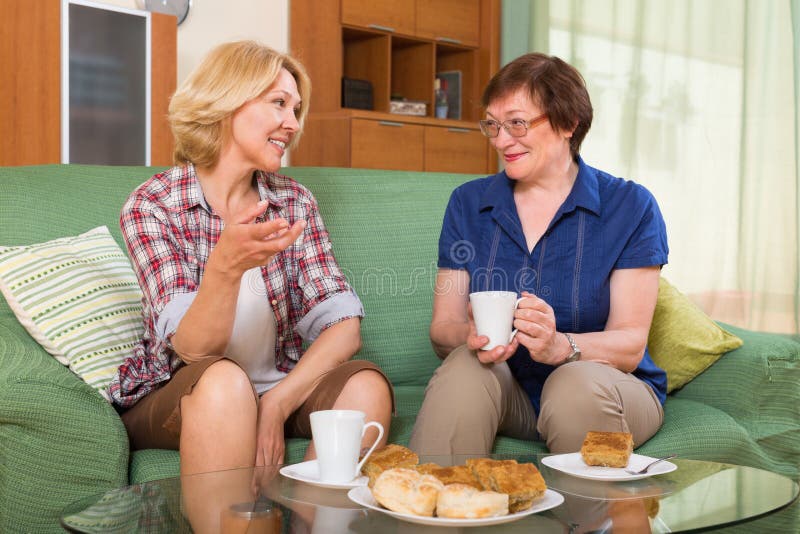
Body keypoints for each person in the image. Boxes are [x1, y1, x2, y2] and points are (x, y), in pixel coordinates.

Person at [109, 41, 393, 478]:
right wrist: (225, 267)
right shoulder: (154, 204)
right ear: (226, 103)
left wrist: (276, 405)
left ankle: (315, 524)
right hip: (183, 389)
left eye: (296, 109)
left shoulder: (293, 200)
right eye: (279, 103)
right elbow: (193, 350)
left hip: (275, 383)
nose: (292, 124)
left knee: (366, 385)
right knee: (224, 382)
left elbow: (344, 328)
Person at [408, 52, 668, 456]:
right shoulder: (467, 203)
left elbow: (630, 344)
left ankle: (585, 520)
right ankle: (439, 511)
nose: (501, 140)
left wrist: (562, 346)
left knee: (572, 383)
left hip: (606, 387)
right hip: (508, 391)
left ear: (568, 123)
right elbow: (443, 328)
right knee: (465, 364)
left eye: (517, 123)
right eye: (493, 125)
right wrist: (470, 337)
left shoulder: (630, 206)